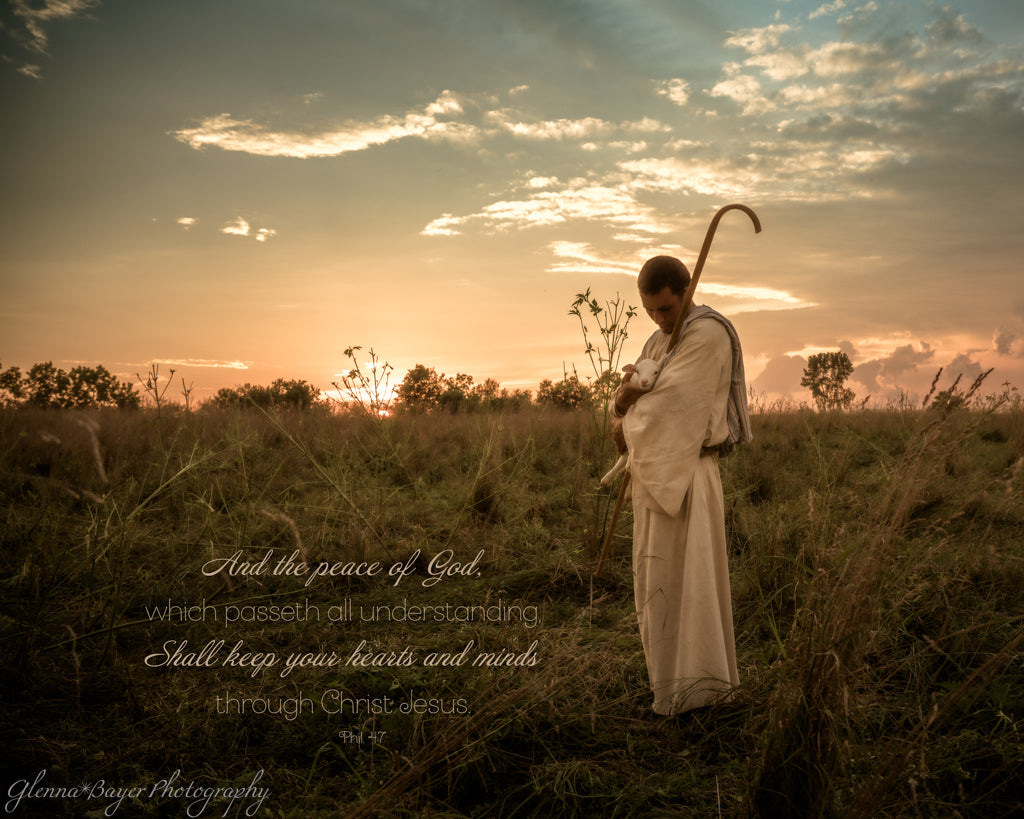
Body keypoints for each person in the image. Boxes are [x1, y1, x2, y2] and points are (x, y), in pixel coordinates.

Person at [611, 255, 752, 716]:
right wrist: (625, 407)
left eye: (666, 309)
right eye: (650, 310)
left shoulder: (707, 334)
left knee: (692, 583)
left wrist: (627, 413)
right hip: (653, 472)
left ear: (687, 291)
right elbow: (626, 398)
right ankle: (668, 691)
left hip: (688, 474)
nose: (658, 319)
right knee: (659, 583)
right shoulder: (658, 338)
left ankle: (704, 694)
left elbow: (669, 408)